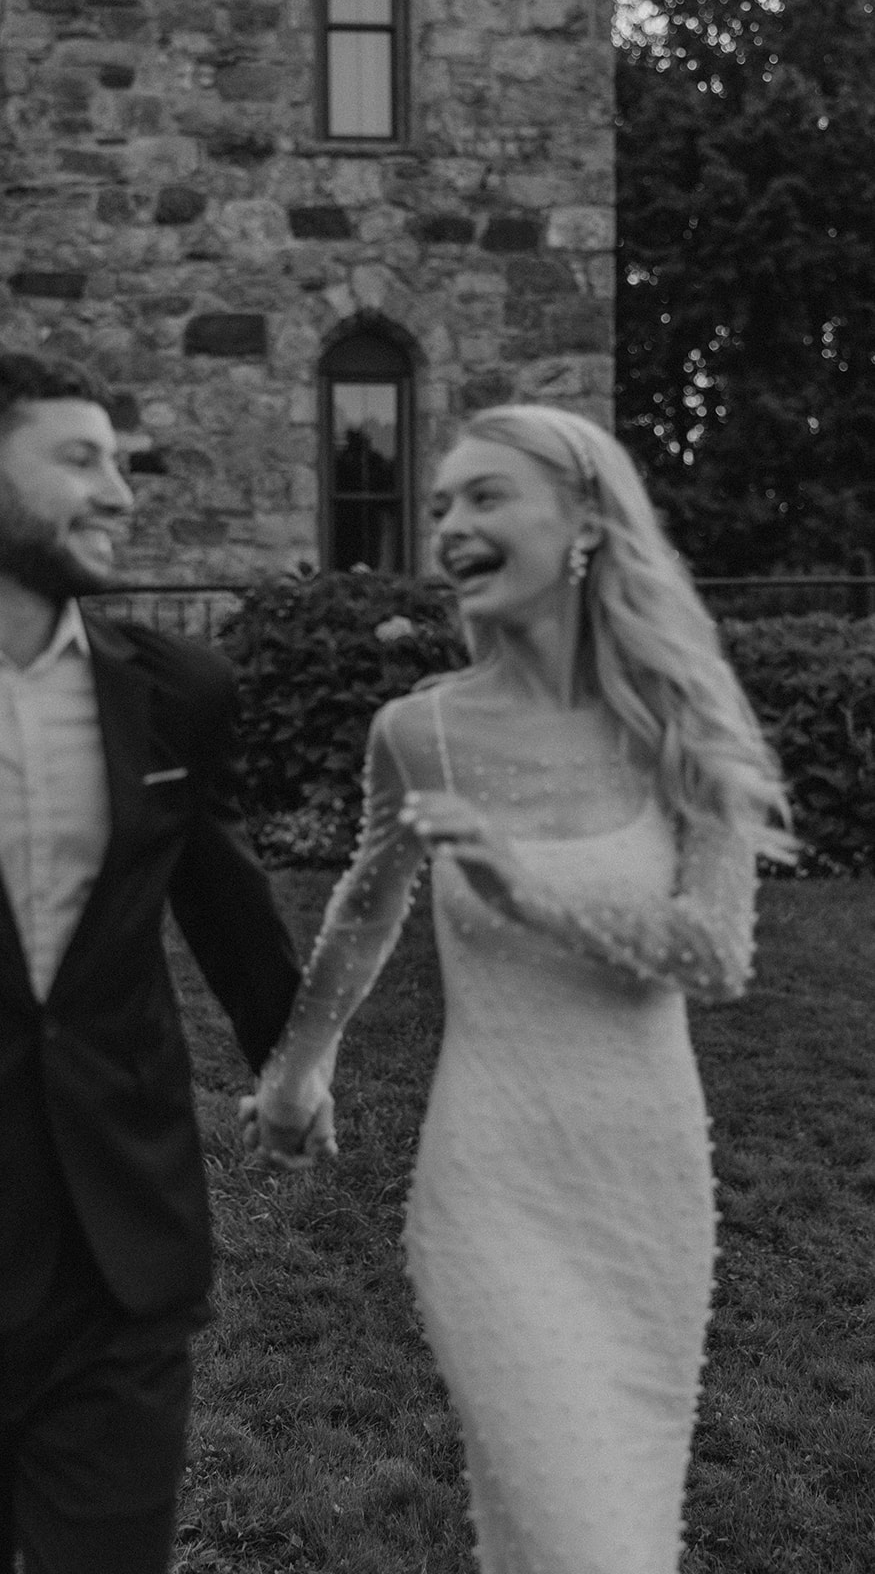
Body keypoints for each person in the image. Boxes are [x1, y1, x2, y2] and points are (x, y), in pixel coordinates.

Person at [242, 404, 795, 1574]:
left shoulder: (680, 720)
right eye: (439, 503)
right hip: (489, 1185)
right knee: (576, 1533)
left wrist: (519, 883)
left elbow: (714, 952)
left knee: (605, 1534)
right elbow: (365, 902)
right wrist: (298, 1067)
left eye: (485, 496)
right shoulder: (418, 731)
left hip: (644, 1186)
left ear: (584, 520)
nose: (448, 524)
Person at [0, 346, 319, 1574]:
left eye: (119, 460)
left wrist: (293, 1056)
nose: (121, 490)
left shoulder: (175, 691)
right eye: (80, 458)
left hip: (120, 1265)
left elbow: (218, 889)